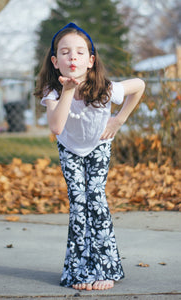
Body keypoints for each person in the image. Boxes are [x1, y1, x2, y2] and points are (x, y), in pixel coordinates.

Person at [34, 22, 145, 291]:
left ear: (91, 60)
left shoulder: (106, 88)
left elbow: (139, 85)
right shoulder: (53, 92)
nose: (73, 56)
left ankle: (106, 267)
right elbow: (56, 127)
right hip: (70, 148)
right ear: (55, 60)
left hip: (98, 146)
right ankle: (79, 270)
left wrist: (118, 120)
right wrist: (68, 91)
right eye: (65, 52)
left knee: (95, 198)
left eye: (80, 52)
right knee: (79, 202)